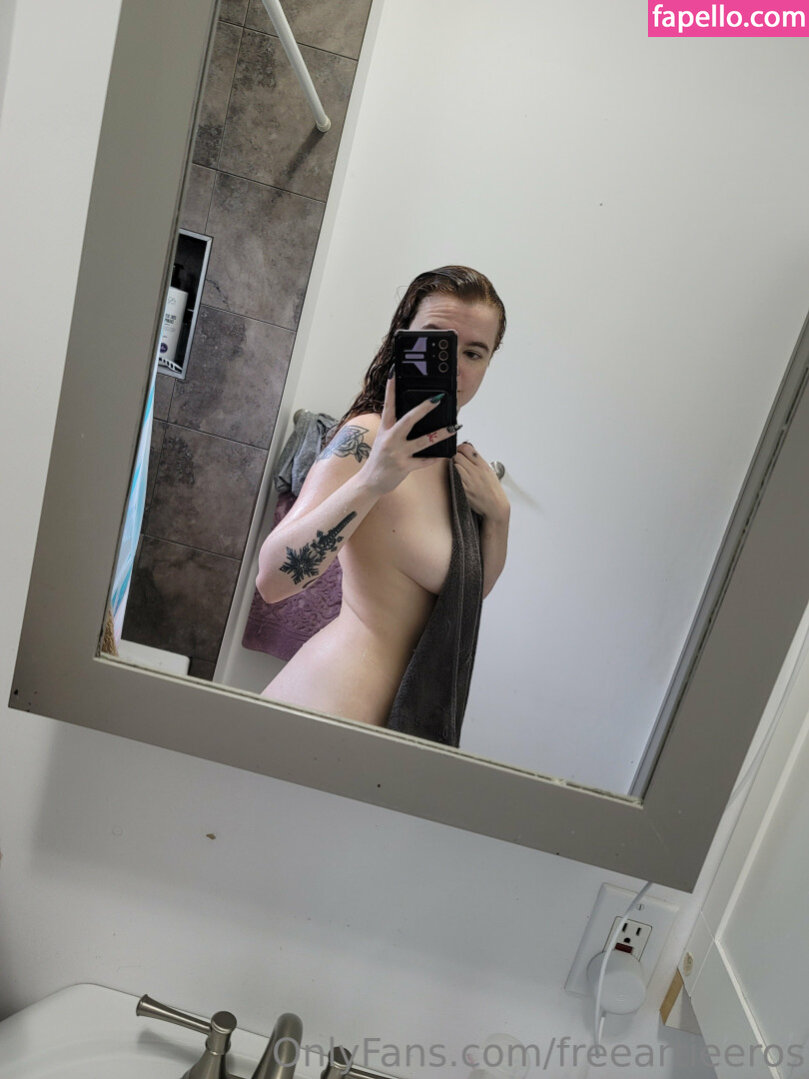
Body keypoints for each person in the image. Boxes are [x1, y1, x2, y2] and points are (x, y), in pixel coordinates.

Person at [256, 265, 509, 745]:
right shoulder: (368, 437)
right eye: (437, 343)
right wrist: (373, 480)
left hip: (384, 730)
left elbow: (463, 597)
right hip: (330, 707)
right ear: (402, 341)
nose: (454, 367)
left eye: (474, 352)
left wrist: (499, 518)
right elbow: (272, 580)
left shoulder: (451, 463)